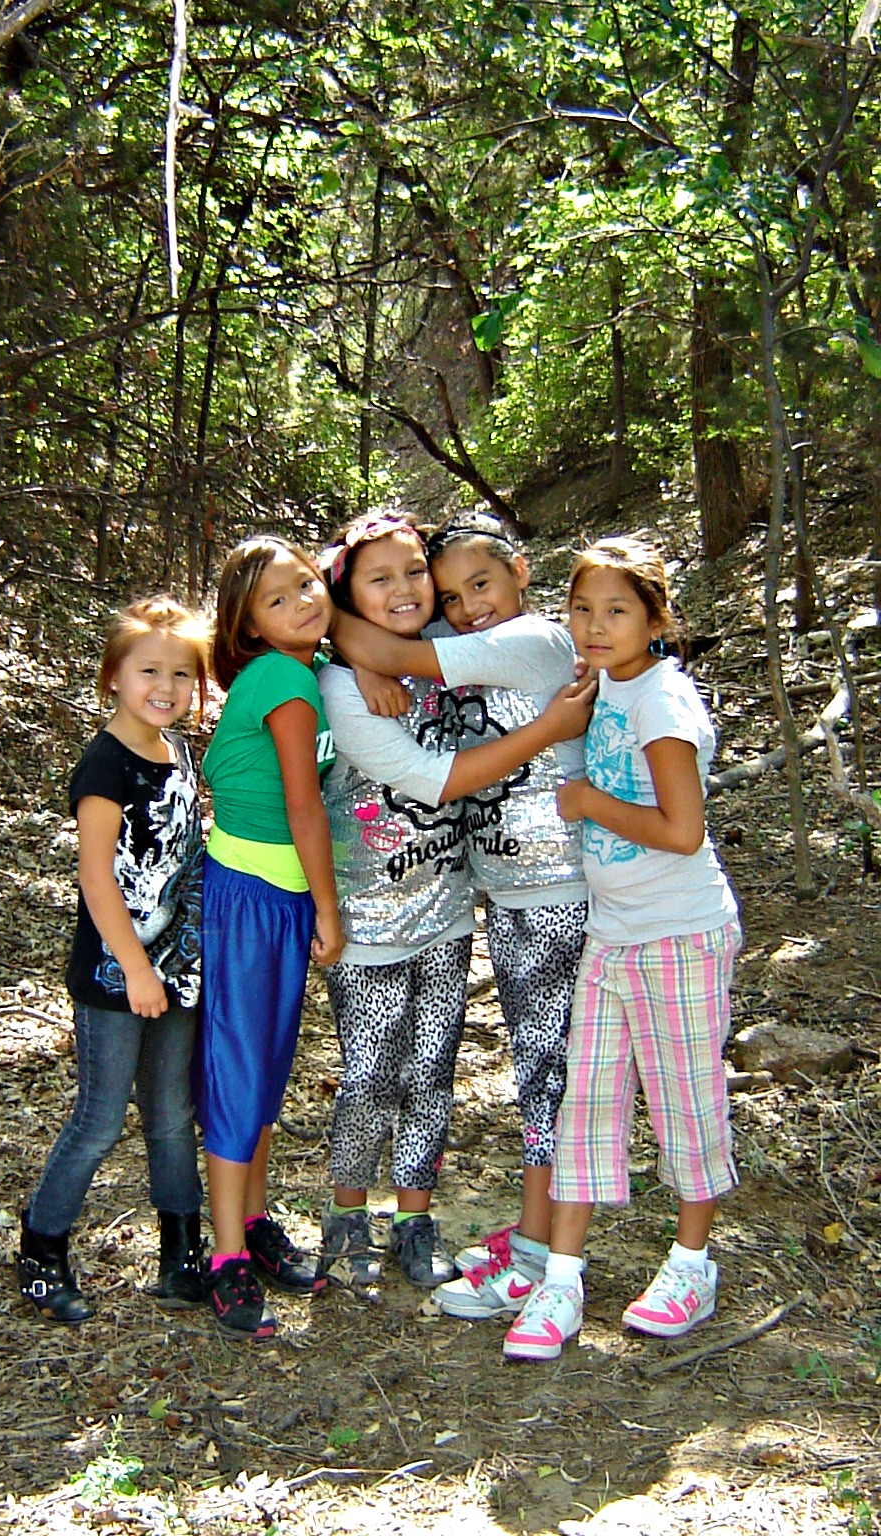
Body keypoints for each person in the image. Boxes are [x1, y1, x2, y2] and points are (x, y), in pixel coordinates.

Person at [316, 516, 595, 1291]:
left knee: (512, 1068)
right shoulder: (369, 668)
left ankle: (498, 1241)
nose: (451, 604)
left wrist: (347, 631)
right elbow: (422, 756)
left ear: (522, 572)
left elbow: (401, 646)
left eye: (423, 578)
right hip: (427, 913)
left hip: (510, 901)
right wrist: (342, 642)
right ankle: (352, 1224)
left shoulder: (525, 639)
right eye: (449, 594)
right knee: (383, 1075)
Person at [502, 536, 741, 1361]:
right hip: (614, 935)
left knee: (685, 1101)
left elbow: (683, 831)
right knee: (586, 1105)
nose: (595, 627)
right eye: (582, 610)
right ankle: (562, 1280)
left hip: (679, 934)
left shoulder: (661, 703)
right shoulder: (604, 685)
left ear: (656, 618)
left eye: (617, 612)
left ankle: (690, 1265)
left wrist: (588, 802)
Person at [16, 596, 211, 1324]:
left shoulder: (179, 752)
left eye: (182, 675)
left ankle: (182, 1255)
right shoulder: (105, 765)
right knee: (100, 1118)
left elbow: (186, 856)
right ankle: (41, 1250)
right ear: (114, 677)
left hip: (178, 966)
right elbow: (97, 877)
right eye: (150, 671)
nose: (167, 687)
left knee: (170, 1113)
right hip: (114, 977)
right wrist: (134, 967)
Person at [195, 535, 345, 1342]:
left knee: (266, 1064)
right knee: (240, 1069)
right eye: (277, 601)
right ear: (249, 627)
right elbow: (303, 807)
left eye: (307, 584)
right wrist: (329, 906)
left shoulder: (309, 670)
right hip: (254, 892)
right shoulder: (284, 678)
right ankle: (226, 1258)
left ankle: (251, 1220)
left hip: (273, 893)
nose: (302, 603)